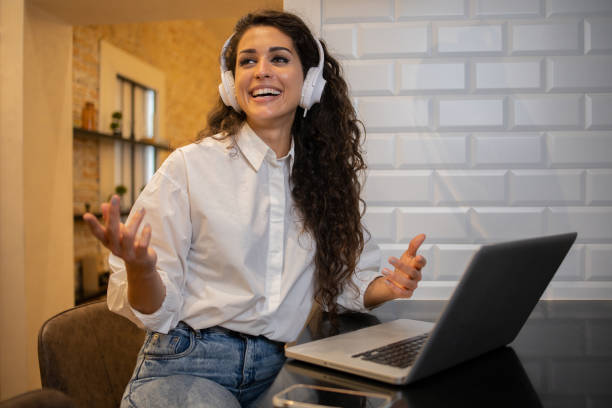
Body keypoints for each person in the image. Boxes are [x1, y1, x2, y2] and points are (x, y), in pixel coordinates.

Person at [83, 9, 426, 408]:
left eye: (279, 58)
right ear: (232, 84)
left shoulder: (324, 181)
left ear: (310, 81)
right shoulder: (189, 168)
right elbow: (154, 311)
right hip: (187, 366)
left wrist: (389, 287)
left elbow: (344, 285)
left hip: (278, 367)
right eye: (248, 61)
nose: (262, 70)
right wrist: (142, 270)